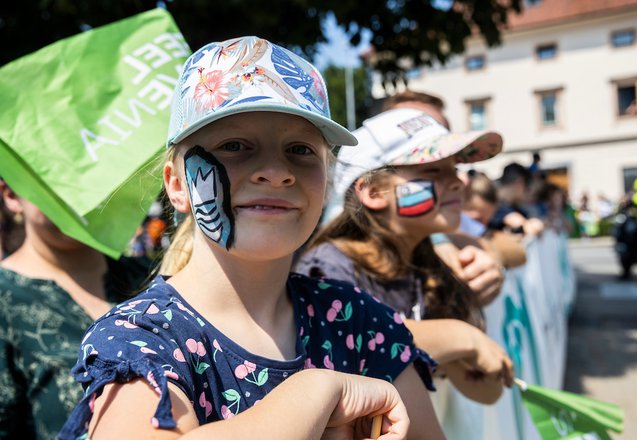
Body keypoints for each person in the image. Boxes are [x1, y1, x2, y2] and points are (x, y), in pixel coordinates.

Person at [60, 37, 443, 439]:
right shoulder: (138, 338)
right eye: (235, 146)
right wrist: (318, 389)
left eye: (300, 149)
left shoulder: (358, 320)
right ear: (177, 186)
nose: (276, 172)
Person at [295, 108, 515, 405]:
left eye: (454, 168)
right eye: (434, 170)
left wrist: (461, 343)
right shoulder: (327, 269)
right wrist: (460, 337)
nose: (459, 181)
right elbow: (346, 344)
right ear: (373, 192)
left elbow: (486, 391)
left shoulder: (430, 269)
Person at [0, 180, 152, 439]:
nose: (73, 195)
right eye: (53, 180)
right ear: (12, 194)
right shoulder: (6, 298)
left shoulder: (151, 277)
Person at [383, 90, 510, 306]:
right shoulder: (336, 261)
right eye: (431, 169)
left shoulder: (446, 212)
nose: (459, 182)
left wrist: (487, 261)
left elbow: (512, 249)